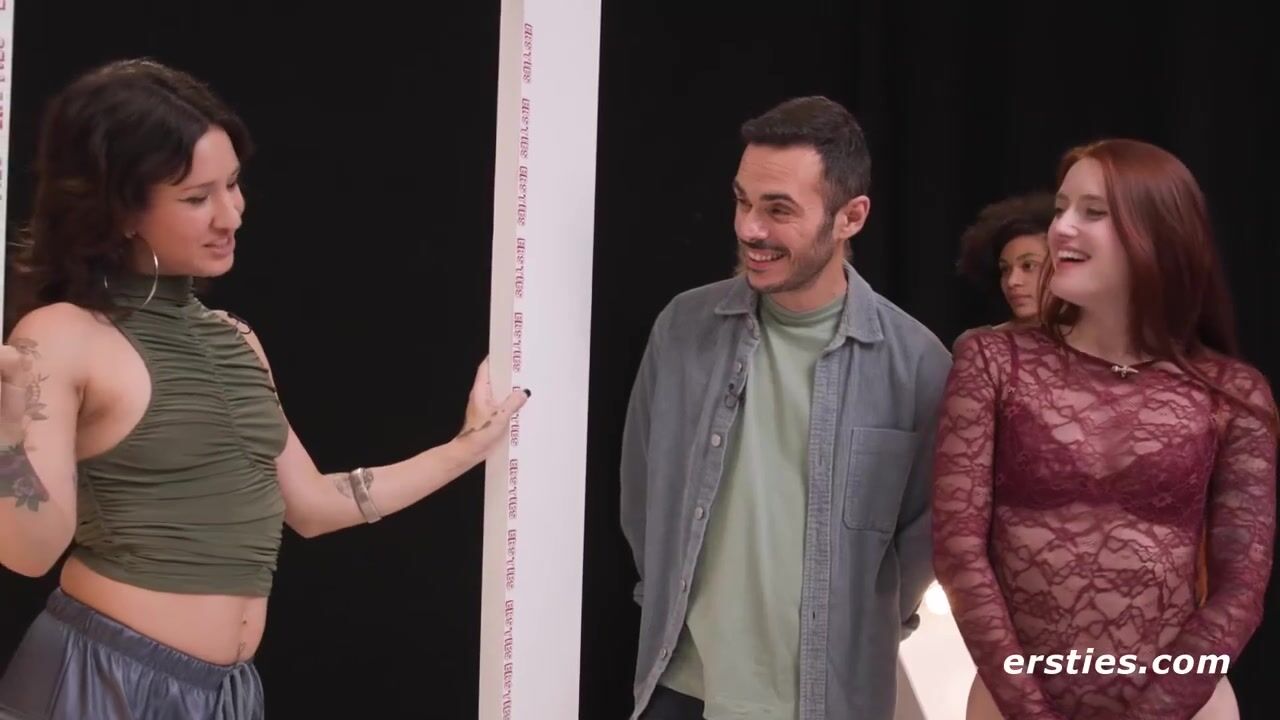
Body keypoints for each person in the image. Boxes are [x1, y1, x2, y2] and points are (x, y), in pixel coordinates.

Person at [0, 58, 528, 719]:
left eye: (233, 185)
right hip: (100, 682)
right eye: (197, 197)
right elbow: (30, 553)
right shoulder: (62, 334)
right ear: (121, 210)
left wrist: (464, 448)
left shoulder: (236, 339)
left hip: (227, 694)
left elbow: (312, 505)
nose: (231, 214)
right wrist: (9, 439)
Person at [619, 95, 952, 720]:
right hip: (682, 688)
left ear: (851, 217)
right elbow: (643, 494)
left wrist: (856, 634)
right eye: (742, 201)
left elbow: (922, 542)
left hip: (826, 701)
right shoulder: (683, 328)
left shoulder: (917, 364)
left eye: (778, 209)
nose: (750, 228)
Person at [931, 138, 1276, 720]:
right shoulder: (993, 361)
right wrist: (1030, 710)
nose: (1061, 227)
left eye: (1093, 212)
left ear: (1159, 234)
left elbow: (1241, 589)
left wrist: (1155, 712)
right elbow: (958, 553)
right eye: (1061, 208)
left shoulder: (1231, 392)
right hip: (1012, 704)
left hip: (1184, 707)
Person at [955, 192, 1055, 329]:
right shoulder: (983, 341)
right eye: (1005, 269)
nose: (1012, 282)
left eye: (1028, 266)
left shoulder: (1087, 339)